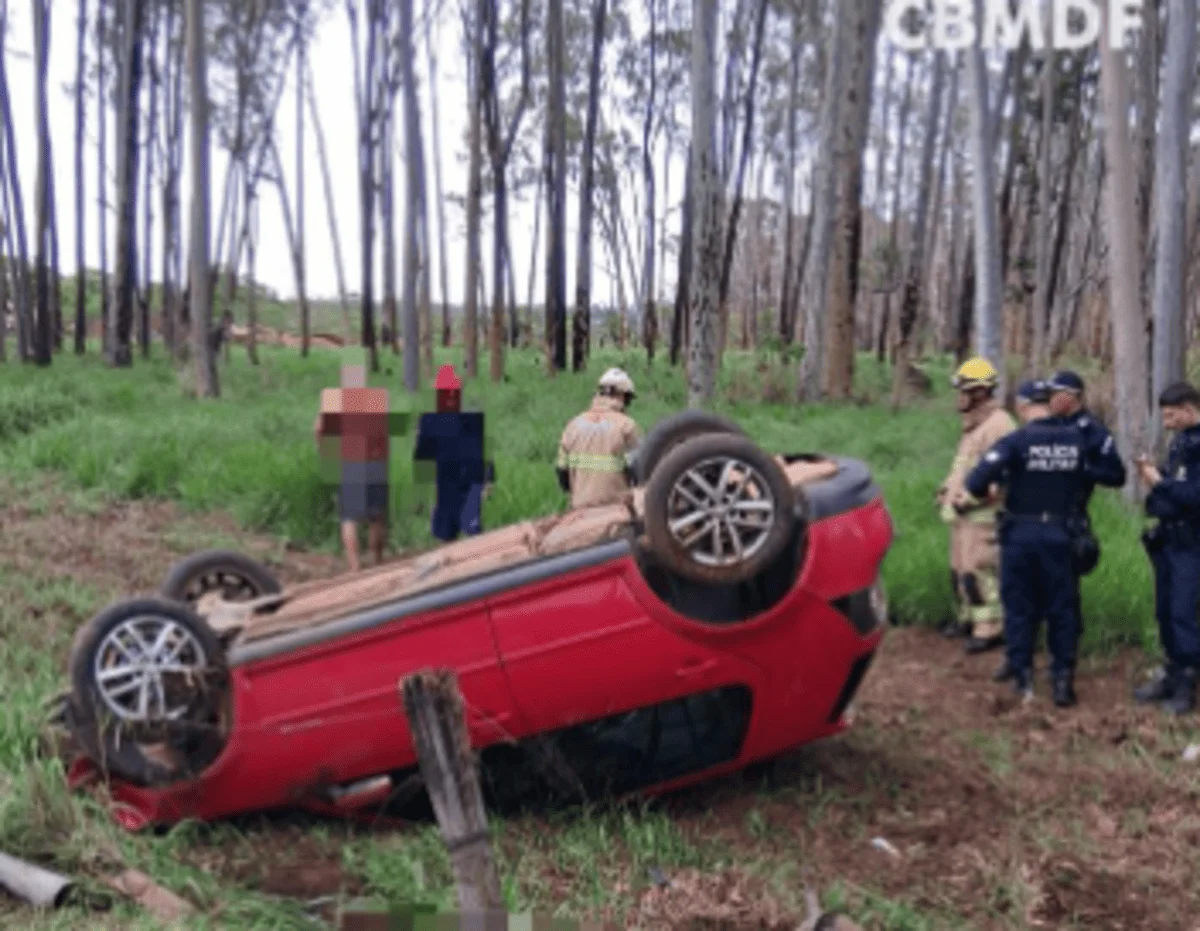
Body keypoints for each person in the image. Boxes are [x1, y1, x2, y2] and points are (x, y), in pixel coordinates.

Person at [959, 397, 1120, 707]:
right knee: (1063, 608)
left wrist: (998, 486)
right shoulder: (1078, 439)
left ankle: (1023, 677)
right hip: (1063, 534)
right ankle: (1062, 681)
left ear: (1023, 408)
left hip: (1021, 534)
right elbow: (1110, 473)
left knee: (1019, 606)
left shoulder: (1016, 440)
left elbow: (976, 481)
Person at [934, 357, 1016, 654]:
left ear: (981, 392)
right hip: (962, 514)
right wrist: (946, 490)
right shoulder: (975, 424)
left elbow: (1000, 475)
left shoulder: (999, 426)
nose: (960, 397)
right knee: (960, 570)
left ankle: (990, 628)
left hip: (982, 515)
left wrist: (972, 499)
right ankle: (968, 619)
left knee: (978, 571)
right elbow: (965, 467)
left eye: (965, 390)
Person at [1132, 381, 1200, 716]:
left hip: (1192, 543)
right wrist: (1155, 476)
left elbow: (1194, 495)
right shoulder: (1182, 442)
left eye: (1172, 415)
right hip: (1170, 540)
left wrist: (1160, 482)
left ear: (1189, 409)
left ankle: (1186, 682)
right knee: (1165, 610)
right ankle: (1171, 672)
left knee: (1183, 612)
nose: (1167, 422)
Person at [1045, 370, 1127, 633]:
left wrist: (1081, 468)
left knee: (1066, 582)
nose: (1049, 399)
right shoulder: (1047, 425)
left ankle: (1068, 638)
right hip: (1039, 512)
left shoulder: (1093, 431)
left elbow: (1116, 475)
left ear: (1073, 397)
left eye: (1055, 394)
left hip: (1071, 515)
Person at [315, 354, 391, 571]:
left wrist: (326, 452)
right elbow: (383, 434)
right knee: (376, 517)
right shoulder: (377, 398)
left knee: (349, 518)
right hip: (375, 462)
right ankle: (377, 561)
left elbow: (319, 429)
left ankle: (355, 567)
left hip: (349, 463)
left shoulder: (334, 399)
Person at [413, 364, 495, 542]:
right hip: (456, 484)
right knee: (458, 531)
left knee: (459, 532)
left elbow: (423, 459)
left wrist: (488, 478)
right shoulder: (435, 421)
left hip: (460, 483)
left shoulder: (432, 421)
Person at [557, 367, 643, 509]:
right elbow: (639, 472)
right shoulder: (627, 426)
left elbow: (562, 476)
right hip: (615, 511)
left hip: (579, 511)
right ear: (622, 396)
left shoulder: (573, 425)